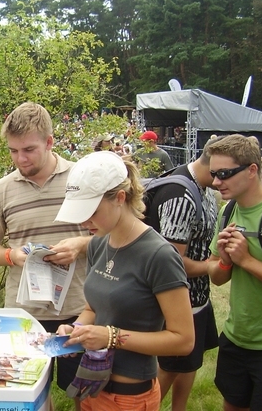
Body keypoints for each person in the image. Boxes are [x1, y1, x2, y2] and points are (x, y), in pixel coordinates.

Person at [54, 151, 194, 411]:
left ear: (120, 198)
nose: (85, 222)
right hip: (92, 387)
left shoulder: (159, 255)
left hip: (130, 397)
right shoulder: (99, 243)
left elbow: (183, 340)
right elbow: (94, 307)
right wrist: (76, 329)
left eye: (92, 211)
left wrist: (111, 337)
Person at [0, 102, 92, 410]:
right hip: (23, 313)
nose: (20, 159)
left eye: (28, 149)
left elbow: (112, 234)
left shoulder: (81, 180)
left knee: (83, 393)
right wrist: (10, 255)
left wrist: (81, 245)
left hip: (78, 309)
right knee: (28, 391)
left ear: (49, 142)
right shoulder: (0, 191)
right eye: (13, 151)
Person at [206, 134, 262, 411]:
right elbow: (216, 275)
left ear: (252, 171)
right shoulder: (229, 211)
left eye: (224, 174)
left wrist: (247, 261)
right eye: (214, 174)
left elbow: (245, 263)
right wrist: (226, 260)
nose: (216, 182)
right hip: (236, 338)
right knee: (233, 403)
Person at [146, 138, 221, 411]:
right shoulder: (181, 195)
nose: (225, 181)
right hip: (177, 301)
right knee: (169, 366)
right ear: (212, 164)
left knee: (191, 360)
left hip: (197, 299)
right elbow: (172, 263)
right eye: (223, 173)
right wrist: (212, 267)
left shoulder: (207, 189)